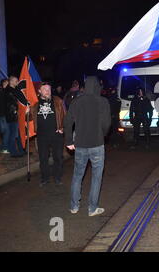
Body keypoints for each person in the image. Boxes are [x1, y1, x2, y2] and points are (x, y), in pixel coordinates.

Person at [64, 76, 111, 216]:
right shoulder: (103, 102)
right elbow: (107, 124)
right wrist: (102, 134)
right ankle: (92, 208)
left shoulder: (76, 102)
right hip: (97, 144)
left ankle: (74, 206)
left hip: (80, 145)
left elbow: (67, 122)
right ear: (97, 87)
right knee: (96, 176)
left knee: (78, 175)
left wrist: (69, 141)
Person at [29, 83, 66, 186]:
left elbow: (65, 115)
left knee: (58, 157)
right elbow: (28, 119)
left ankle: (57, 177)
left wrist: (63, 128)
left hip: (56, 135)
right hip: (41, 136)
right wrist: (27, 112)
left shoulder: (58, 101)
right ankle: (45, 178)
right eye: (44, 89)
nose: (47, 91)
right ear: (39, 91)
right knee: (43, 158)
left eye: (49, 89)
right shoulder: (35, 105)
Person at [5, 76, 28, 157]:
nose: (17, 82)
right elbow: (10, 104)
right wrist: (15, 112)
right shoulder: (9, 91)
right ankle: (13, 152)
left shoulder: (14, 90)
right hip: (12, 116)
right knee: (13, 135)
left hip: (15, 116)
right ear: (11, 81)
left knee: (18, 134)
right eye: (16, 81)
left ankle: (21, 150)